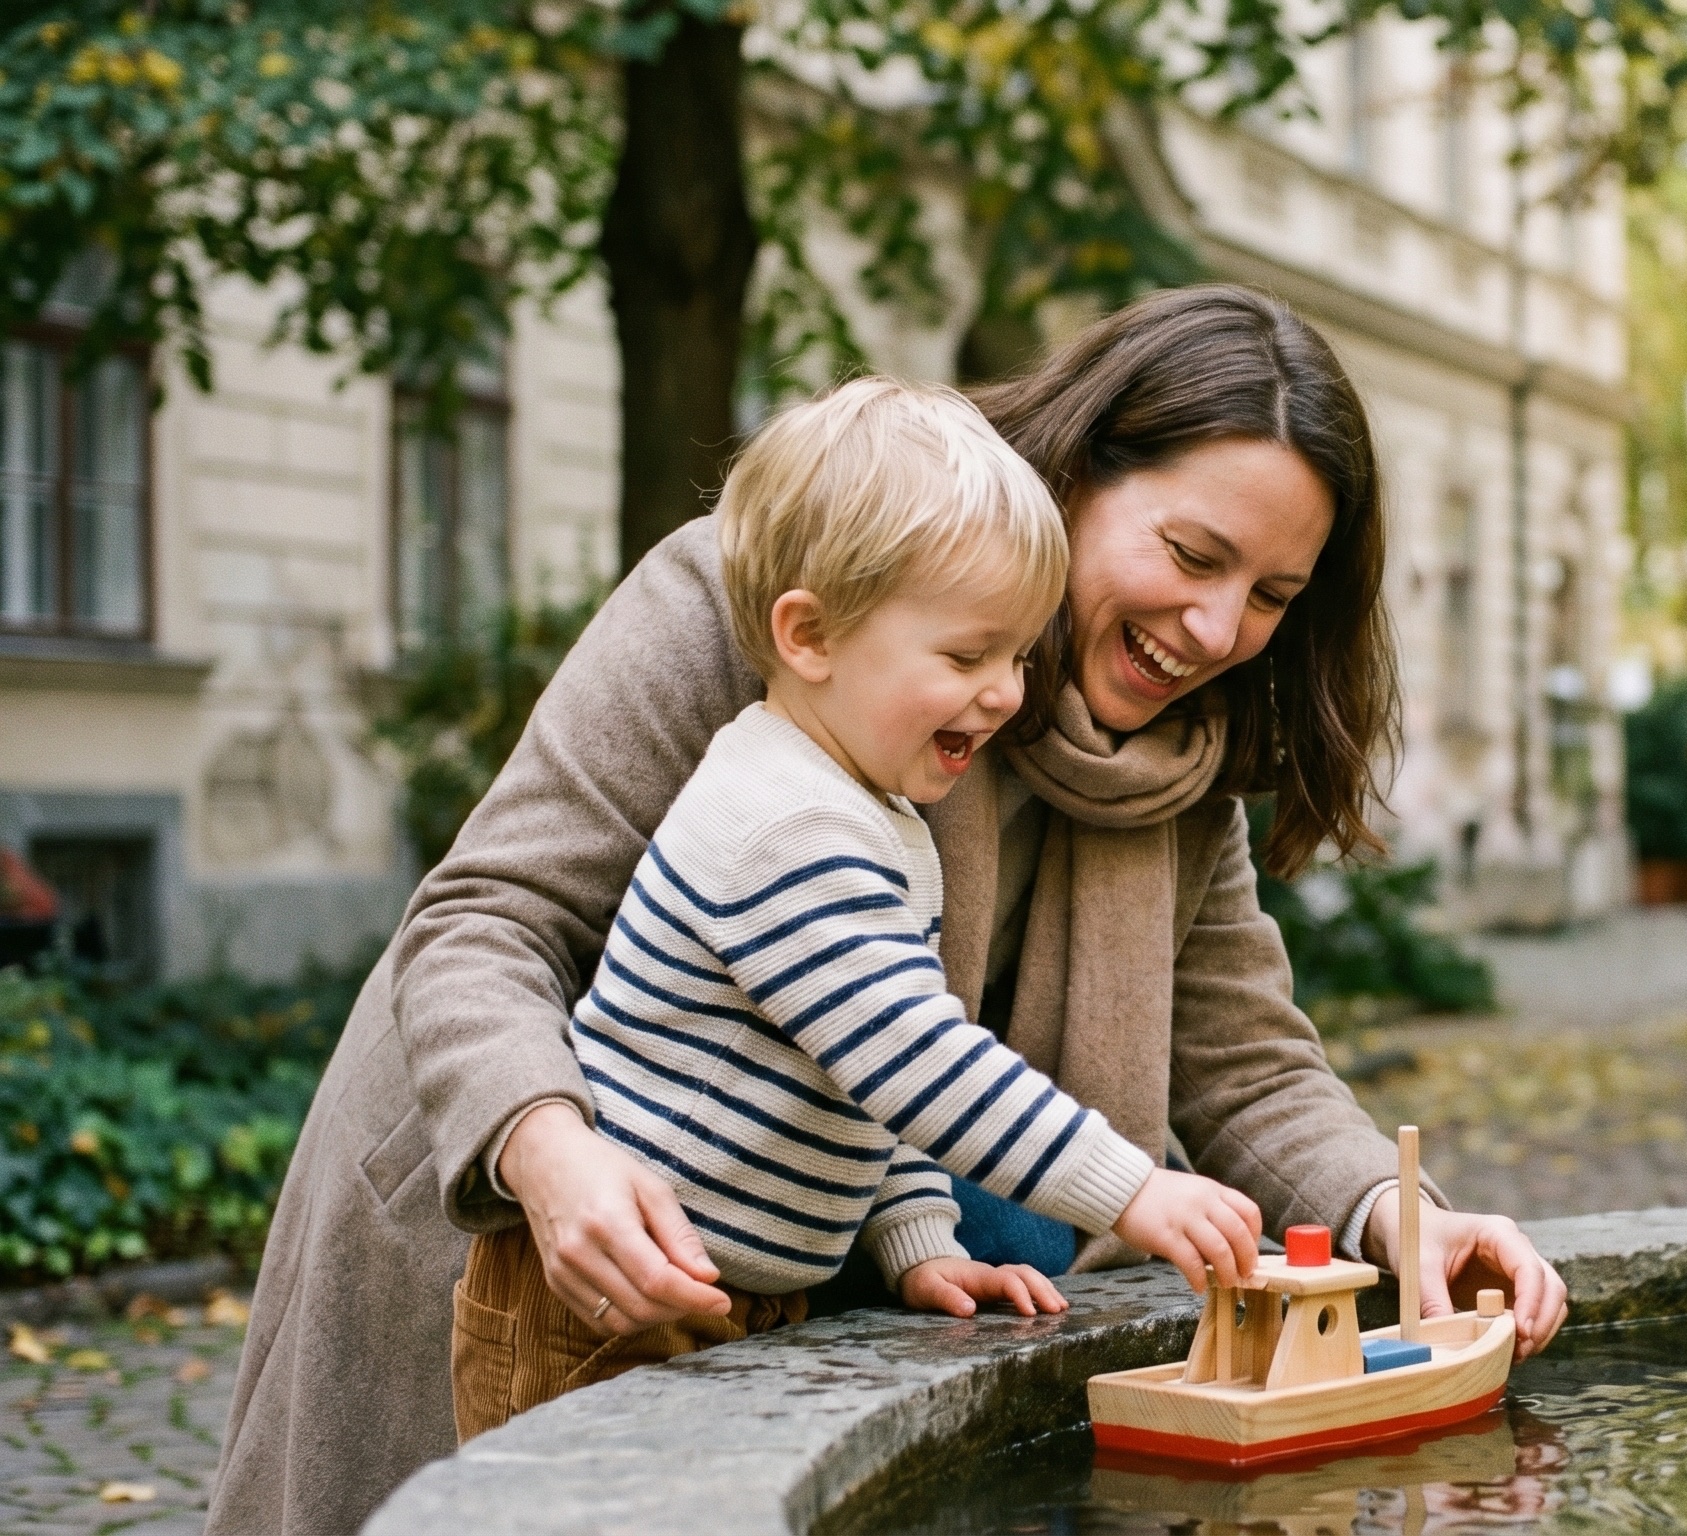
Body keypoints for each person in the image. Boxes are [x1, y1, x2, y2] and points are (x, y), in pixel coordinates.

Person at [211, 285, 1566, 1536]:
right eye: (1191, 554)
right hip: (505, 1219)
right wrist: (548, 1148)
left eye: (1270, 595)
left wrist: (1401, 1221)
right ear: (1081, 470)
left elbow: (1245, 1064)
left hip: (774, 1274)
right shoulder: (781, 593)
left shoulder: (1179, 763)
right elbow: (486, 919)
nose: (1216, 631)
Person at [448, 377, 1266, 1437]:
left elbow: (862, 1085)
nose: (1006, 694)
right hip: (603, 1301)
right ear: (810, 636)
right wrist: (1131, 1191)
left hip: (717, 1286)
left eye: (1019, 656)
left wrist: (921, 1244)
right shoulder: (785, 825)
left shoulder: (871, 812)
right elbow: (917, 1060)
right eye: (968, 656)